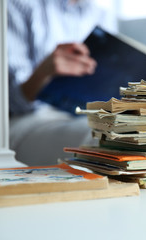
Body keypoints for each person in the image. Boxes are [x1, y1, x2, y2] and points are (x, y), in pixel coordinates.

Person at [8, 0, 118, 166]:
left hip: (85, 114)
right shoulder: (17, 5)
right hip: (33, 117)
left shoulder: (100, 12)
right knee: (108, 140)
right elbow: (12, 103)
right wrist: (43, 73)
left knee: (132, 135)